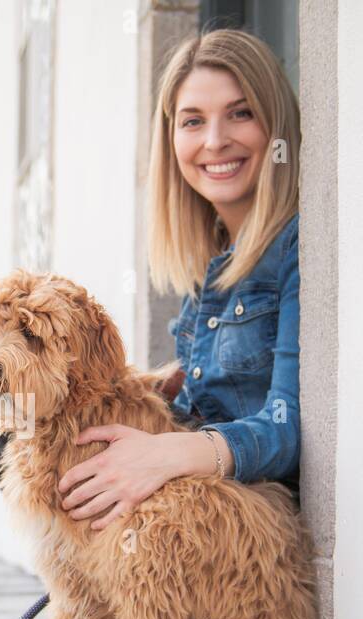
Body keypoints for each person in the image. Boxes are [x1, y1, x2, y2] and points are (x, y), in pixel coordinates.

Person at [56, 28, 303, 530]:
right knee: (3, 419)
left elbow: (289, 429)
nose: (215, 141)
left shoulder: (299, 245)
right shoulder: (210, 266)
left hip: (240, 523)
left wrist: (170, 454)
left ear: (275, 126)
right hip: (191, 505)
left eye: (241, 112)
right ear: (171, 139)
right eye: (193, 121)